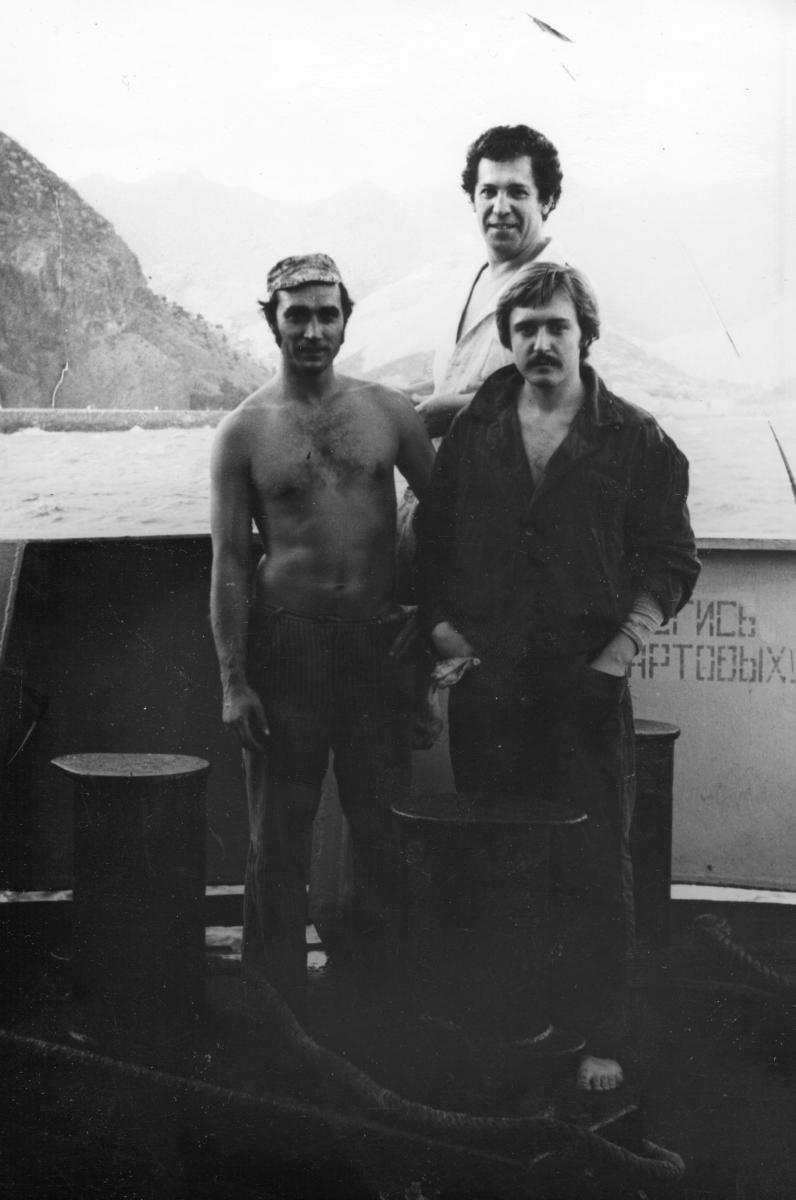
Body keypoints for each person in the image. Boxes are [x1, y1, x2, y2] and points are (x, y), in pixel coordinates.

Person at [416, 262, 700, 1090]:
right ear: (508, 339)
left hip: (587, 683)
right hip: (490, 678)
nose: (542, 341)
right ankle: (510, 1020)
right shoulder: (476, 428)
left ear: (586, 335)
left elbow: (671, 561)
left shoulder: (636, 437)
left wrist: (617, 657)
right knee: (497, 852)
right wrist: (441, 632)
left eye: (558, 326)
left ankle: (599, 1034)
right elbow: (430, 542)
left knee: (594, 858)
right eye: (527, 328)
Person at [210, 254, 435, 1024]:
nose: (312, 329)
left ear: (346, 319)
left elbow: (448, 520)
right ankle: (275, 1007)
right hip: (288, 650)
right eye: (297, 314)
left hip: (377, 648)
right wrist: (234, 680)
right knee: (278, 837)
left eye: (326, 313)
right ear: (271, 320)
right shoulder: (244, 430)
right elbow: (230, 560)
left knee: (383, 827)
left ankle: (378, 1001)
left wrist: (431, 628)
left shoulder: (390, 412)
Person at [414, 124, 568, 437]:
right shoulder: (473, 276)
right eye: (488, 191)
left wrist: (460, 412)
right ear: (473, 199)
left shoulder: (560, 288)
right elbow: (463, 379)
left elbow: (561, 402)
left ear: (547, 200)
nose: (500, 208)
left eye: (517, 192)